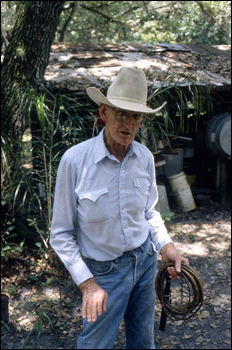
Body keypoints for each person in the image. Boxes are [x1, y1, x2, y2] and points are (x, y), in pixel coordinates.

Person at [50, 67, 189, 349]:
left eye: (136, 116)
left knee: (142, 341)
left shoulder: (145, 158)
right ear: (104, 112)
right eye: (121, 113)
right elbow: (61, 234)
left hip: (145, 263)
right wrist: (87, 283)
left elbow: (149, 213)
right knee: (95, 344)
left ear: (142, 121)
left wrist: (167, 247)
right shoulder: (75, 161)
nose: (128, 123)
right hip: (104, 272)